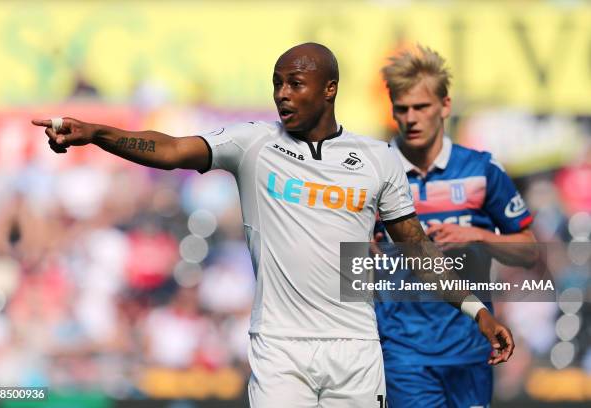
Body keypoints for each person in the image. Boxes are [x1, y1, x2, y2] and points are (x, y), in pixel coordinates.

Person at [33, 42, 514, 408]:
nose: (283, 93)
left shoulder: (377, 160)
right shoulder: (254, 144)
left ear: (330, 89)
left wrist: (477, 310)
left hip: (357, 350)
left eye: (295, 83)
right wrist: (96, 133)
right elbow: (171, 149)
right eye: (277, 82)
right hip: (279, 350)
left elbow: (417, 250)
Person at [375, 45, 536, 408]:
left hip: (472, 345)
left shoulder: (481, 169)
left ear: (445, 106)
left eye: (422, 107)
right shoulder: (375, 170)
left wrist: (478, 235)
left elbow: (529, 250)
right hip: (403, 349)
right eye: (402, 109)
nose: (411, 118)